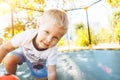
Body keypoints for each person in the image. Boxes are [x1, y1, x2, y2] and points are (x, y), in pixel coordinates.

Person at [0, 9, 68, 80]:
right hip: (23, 53)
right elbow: (4, 48)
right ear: (38, 27)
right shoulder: (27, 35)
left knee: (43, 78)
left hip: (38, 62)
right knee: (9, 58)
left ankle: (43, 72)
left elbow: (51, 72)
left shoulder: (53, 49)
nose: (49, 40)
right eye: (47, 32)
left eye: (55, 38)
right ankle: (12, 77)